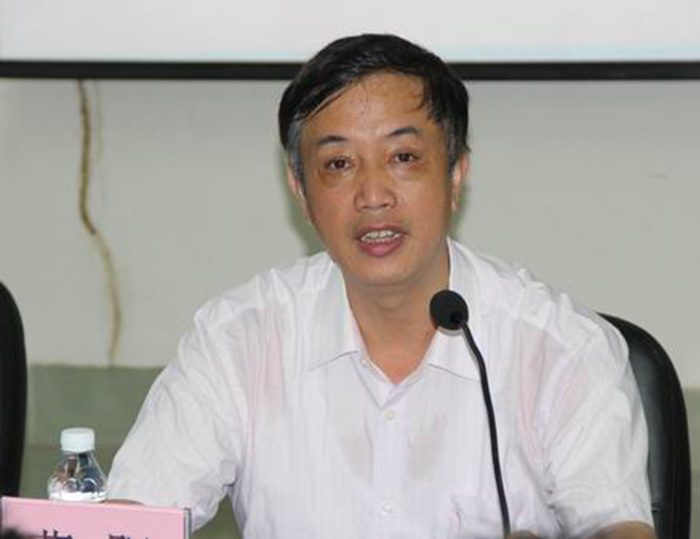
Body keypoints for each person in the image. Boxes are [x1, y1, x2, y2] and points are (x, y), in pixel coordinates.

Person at [108, 34, 655, 539]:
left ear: (456, 174)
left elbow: (619, 527)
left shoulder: (562, 348)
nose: (373, 195)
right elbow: (131, 519)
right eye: (339, 164)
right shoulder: (238, 340)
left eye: (403, 158)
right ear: (301, 191)